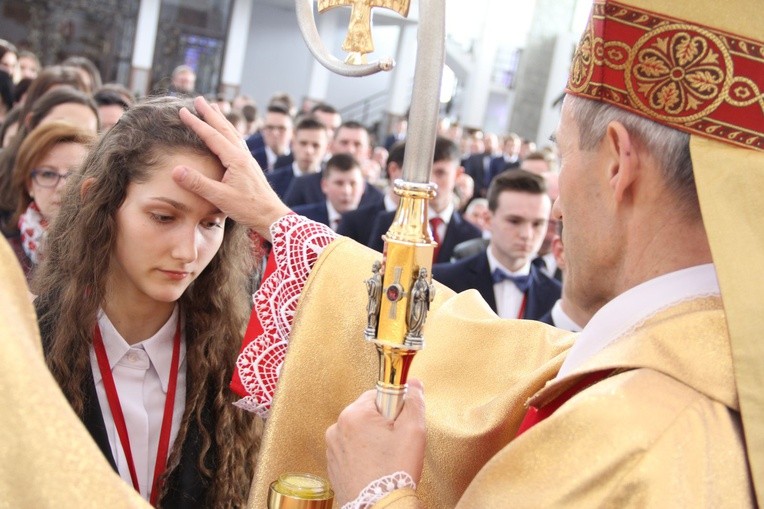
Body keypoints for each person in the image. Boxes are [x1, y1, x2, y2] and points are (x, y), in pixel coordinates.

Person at [169, 0, 762, 503]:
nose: (555, 209)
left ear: (616, 162)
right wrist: (281, 224)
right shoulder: (706, 364)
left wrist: (379, 489)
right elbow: (496, 362)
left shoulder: (635, 440)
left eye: (560, 159)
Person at [33, 97, 261, 507]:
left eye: (211, 223)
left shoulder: (238, 363)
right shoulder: (26, 343)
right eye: (163, 217)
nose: (188, 251)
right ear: (97, 199)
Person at [433, 170, 560, 320]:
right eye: (514, 221)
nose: (527, 234)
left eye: (537, 223)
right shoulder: (443, 282)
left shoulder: (556, 296)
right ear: (488, 220)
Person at [367, 136, 482, 262]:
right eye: (425, 173)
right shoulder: (389, 222)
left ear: (457, 174)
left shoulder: (472, 235)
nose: (431, 181)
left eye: (440, 173)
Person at [5, 121, 94, 279]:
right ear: (29, 185)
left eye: (75, 174)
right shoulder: (5, 256)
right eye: (48, 174)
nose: (62, 186)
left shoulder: (113, 248)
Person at [292, 153, 365, 231]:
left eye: (353, 183)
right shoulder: (301, 220)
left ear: (363, 186)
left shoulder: (373, 222)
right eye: (339, 183)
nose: (346, 191)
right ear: (324, 185)